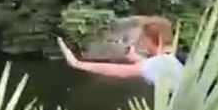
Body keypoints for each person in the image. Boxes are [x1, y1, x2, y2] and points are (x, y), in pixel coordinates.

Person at [56, 16, 184, 89]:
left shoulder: (159, 63)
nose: (142, 42)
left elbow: (120, 71)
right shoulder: (175, 58)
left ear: (153, 39)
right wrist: (137, 59)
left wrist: (78, 63)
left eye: (143, 38)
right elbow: (160, 67)